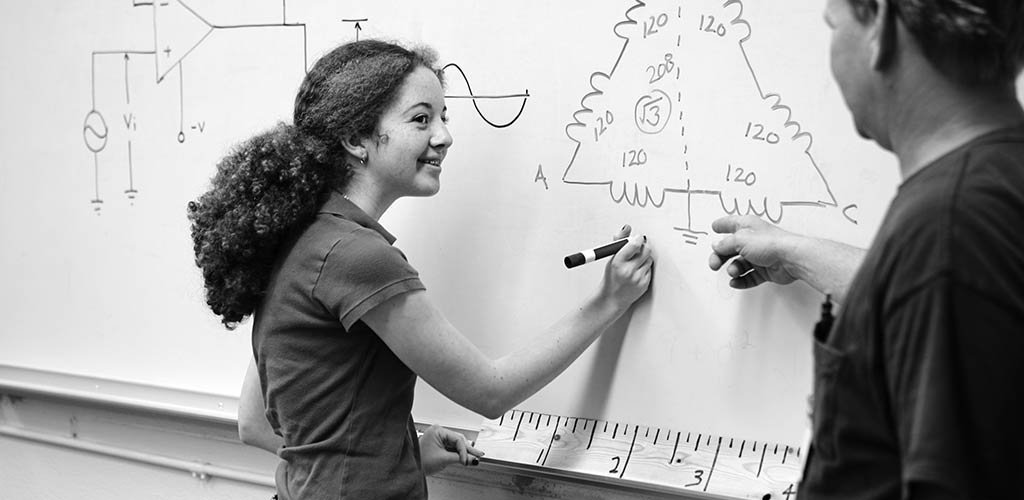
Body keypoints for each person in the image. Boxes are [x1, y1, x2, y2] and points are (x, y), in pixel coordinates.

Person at [187, 39, 653, 500]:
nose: (444, 135)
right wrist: (609, 300)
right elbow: (491, 392)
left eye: (443, 117)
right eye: (421, 119)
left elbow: (255, 424)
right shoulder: (355, 256)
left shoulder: (302, 239)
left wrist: (398, 453)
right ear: (356, 139)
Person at [709, 0, 1024, 499]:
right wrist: (793, 251)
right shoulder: (993, 190)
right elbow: (922, 298)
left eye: (834, 26)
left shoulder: (949, 228)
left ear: (879, 22)